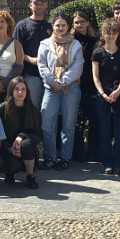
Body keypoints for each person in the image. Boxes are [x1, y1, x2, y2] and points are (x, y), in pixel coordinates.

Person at [38, 14, 84, 169]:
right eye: (57, 25)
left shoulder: (76, 44)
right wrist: (53, 81)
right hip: (50, 88)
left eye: (63, 25)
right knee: (47, 123)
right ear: (53, 27)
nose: (60, 28)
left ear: (68, 26)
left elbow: (78, 66)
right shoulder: (44, 44)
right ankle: (50, 156)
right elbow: (41, 64)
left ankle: (65, 157)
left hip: (70, 88)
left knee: (68, 124)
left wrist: (63, 81)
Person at [91, 18, 120, 175]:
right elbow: (95, 76)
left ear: (117, 34)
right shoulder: (97, 53)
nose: (110, 36)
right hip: (103, 95)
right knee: (105, 130)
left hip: (119, 94)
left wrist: (117, 92)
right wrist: (102, 93)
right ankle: (107, 162)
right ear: (102, 33)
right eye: (107, 32)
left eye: (113, 32)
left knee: (119, 130)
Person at [0, 76, 41, 188]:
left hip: (26, 149)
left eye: (23, 89)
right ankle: (9, 173)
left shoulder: (33, 109)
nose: (20, 92)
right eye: (17, 89)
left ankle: (30, 176)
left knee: (27, 144)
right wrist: (9, 148)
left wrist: (21, 137)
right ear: (11, 91)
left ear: (27, 91)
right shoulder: (1, 109)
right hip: (6, 148)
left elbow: (38, 134)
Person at [13, 0, 53, 108]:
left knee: (47, 109)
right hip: (31, 74)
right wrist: (31, 59)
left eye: (41, 3)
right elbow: (16, 50)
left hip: (50, 74)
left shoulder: (50, 26)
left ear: (46, 6)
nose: (39, 6)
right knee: (33, 107)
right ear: (30, 5)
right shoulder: (22, 26)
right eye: (36, 3)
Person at [70, 12, 99, 161]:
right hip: (75, 83)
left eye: (82, 22)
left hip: (91, 83)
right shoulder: (70, 41)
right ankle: (77, 152)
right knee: (76, 119)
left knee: (93, 119)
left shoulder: (95, 41)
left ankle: (93, 151)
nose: (79, 25)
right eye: (76, 22)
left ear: (88, 23)